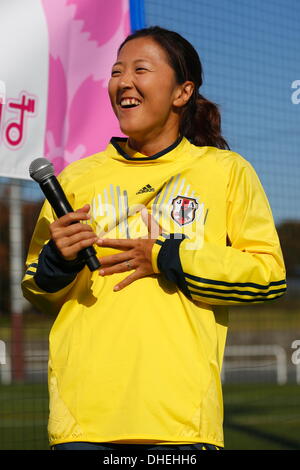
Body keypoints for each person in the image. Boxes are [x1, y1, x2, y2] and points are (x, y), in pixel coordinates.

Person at [21, 26, 287, 451]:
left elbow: (268, 275)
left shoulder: (226, 171)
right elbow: (36, 287)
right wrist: (59, 260)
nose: (123, 82)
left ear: (182, 93)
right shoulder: (74, 179)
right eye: (116, 71)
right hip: (82, 425)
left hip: (180, 428)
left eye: (140, 69)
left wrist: (168, 256)